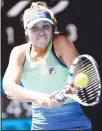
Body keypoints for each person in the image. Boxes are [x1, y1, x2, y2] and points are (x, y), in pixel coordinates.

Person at [3, 2, 92, 130]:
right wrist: (39, 98)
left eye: (46, 26)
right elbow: (9, 88)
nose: (41, 32)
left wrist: (64, 93)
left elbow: (80, 76)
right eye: (35, 27)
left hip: (74, 125)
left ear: (52, 28)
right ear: (26, 31)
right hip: (40, 126)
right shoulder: (19, 52)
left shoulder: (61, 42)